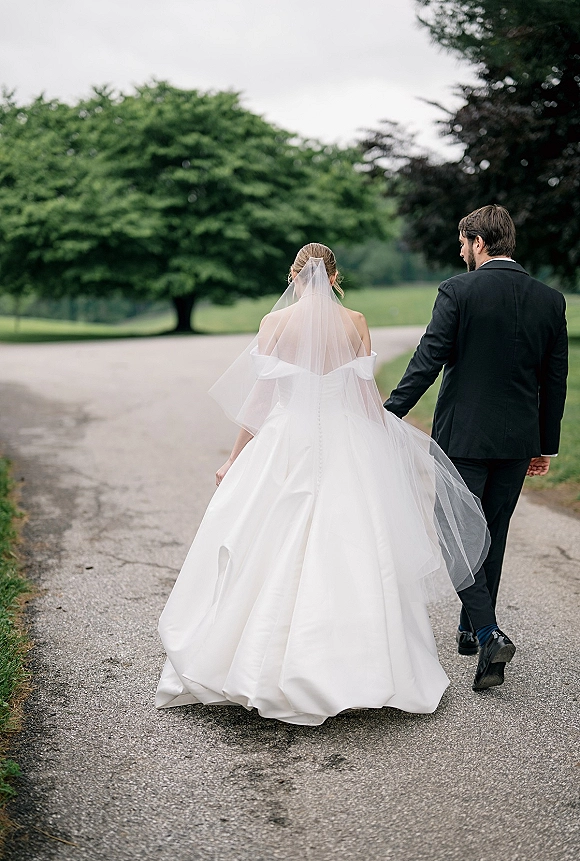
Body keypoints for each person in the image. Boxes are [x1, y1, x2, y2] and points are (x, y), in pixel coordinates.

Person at [156, 243, 489, 726]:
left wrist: (233, 459)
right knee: (353, 548)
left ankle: (253, 666)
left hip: (284, 442)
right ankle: (362, 668)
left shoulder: (275, 324)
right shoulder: (354, 321)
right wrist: (387, 444)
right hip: (345, 440)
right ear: (335, 278)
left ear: (295, 277)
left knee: (265, 542)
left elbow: (260, 399)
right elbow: (364, 396)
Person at [384, 205, 568, 691]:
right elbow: (555, 381)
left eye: (463, 242)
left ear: (479, 243)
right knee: (493, 531)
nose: (459, 251)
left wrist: (389, 412)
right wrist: (544, 443)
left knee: (456, 533)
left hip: (463, 439)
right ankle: (471, 627)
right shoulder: (550, 299)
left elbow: (428, 358)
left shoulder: (458, 290)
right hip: (517, 439)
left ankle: (487, 631)